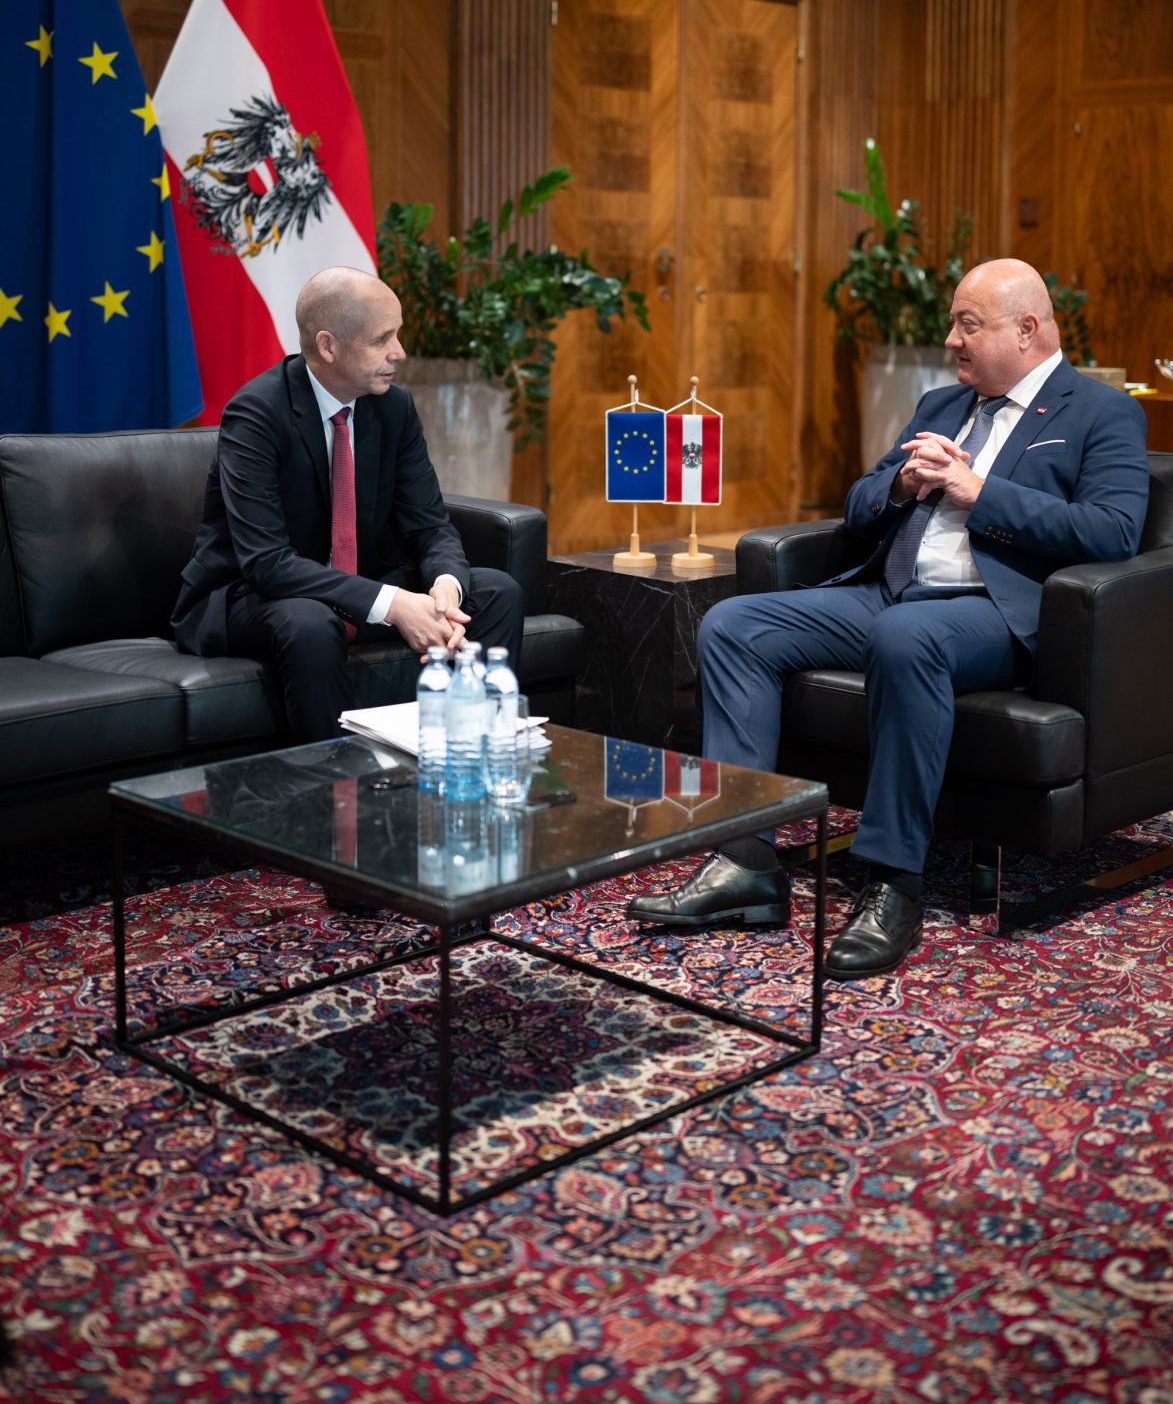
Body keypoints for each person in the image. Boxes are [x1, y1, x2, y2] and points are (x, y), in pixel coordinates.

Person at [627, 259, 1149, 979]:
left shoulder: (1100, 411)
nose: (951, 339)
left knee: (904, 638)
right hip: (888, 591)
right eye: (954, 323)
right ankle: (743, 855)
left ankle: (891, 880)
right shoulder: (940, 404)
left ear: (1025, 329)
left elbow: (1112, 532)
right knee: (734, 625)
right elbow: (857, 504)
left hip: (993, 611)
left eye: (968, 324)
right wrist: (902, 483)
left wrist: (978, 492)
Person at [172, 265, 524, 743]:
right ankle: (337, 792)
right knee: (311, 622)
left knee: (496, 591)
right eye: (382, 339)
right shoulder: (256, 413)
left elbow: (430, 526)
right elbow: (267, 563)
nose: (398, 353)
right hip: (252, 596)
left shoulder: (393, 408)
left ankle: (467, 751)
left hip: (357, 590)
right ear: (328, 346)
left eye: (396, 334)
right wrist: (395, 604)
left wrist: (445, 590)